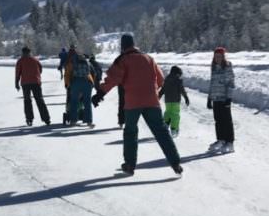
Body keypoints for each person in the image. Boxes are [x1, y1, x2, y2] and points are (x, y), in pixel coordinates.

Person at [93, 33, 182, 176]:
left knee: (130, 132)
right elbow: (160, 80)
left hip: (133, 102)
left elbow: (113, 79)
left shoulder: (123, 59)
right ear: (134, 44)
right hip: (152, 101)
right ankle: (176, 163)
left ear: (123, 46)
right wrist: (150, 90)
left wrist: (99, 94)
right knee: (161, 131)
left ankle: (129, 165)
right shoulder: (148, 58)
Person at [207, 47, 236, 153]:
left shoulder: (227, 67)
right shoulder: (214, 67)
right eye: (216, 56)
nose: (217, 58)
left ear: (223, 57)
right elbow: (212, 83)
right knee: (218, 120)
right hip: (215, 98)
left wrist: (229, 98)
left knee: (227, 121)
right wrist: (209, 98)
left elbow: (231, 84)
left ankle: (230, 142)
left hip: (224, 99)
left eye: (219, 56)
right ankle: (221, 140)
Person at [15, 46, 51, 127]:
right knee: (40, 100)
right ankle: (46, 119)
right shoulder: (35, 60)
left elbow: (17, 73)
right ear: (30, 52)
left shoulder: (20, 61)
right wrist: (36, 76)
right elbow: (40, 69)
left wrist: (16, 83)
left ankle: (29, 119)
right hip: (36, 82)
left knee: (27, 101)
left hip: (25, 83)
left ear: (23, 52)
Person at [64, 46, 95, 127]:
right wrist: (92, 83)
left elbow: (67, 74)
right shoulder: (87, 62)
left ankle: (73, 121)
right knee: (87, 102)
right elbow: (92, 73)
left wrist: (67, 84)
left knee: (74, 101)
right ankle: (89, 121)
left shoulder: (71, 62)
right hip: (87, 82)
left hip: (76, 82)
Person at [159, 65, 190, 137]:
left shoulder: (166, 80)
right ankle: (174, 129)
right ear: (177, 73)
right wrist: (186, 97)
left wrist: (158, 96)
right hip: (175, 101)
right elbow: (182, 90)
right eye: (179, 74)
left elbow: (163, 89)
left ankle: (165, 126)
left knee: (168, 113)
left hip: (167, 101)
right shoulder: (178, 81)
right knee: (175, 115)